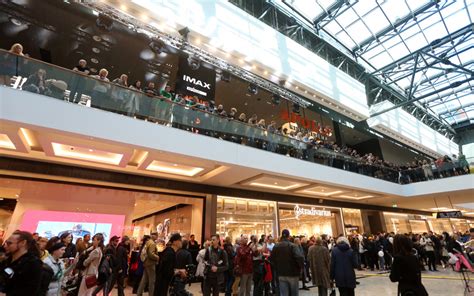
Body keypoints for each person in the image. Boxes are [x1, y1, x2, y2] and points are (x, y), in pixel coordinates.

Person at [0, 230, 42, 295]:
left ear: (23, 243)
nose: (5, 246)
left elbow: (30, 289)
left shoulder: (33, 263)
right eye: (6, 243)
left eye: (9, 243)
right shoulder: (7, 259)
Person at [270, 229, 304, 296]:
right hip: (293, 274)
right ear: (289, 236)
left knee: (284, 294)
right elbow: (300, 258)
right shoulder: (293, 246)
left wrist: (277, 269)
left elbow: (272, 260)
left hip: (281, 274)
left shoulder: (276, 246)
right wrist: (300, 269)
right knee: (294, 294)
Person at [137, 232, 160, 296]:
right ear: (154, 236)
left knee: (144, 280)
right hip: (151, 264)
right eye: (157, 236)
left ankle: (139, 293)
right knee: (152, 281)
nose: (157, 237)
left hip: (146, 263)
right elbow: (151, 254)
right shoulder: (152, 243)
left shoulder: (148, 242)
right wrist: (157, 257)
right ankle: (151, 294)